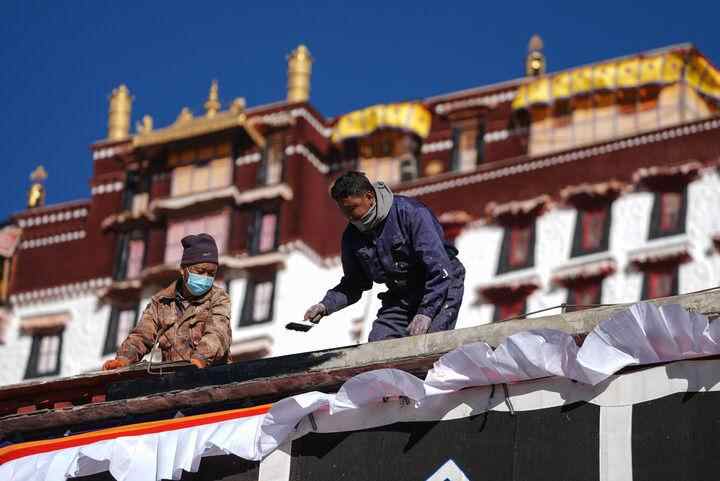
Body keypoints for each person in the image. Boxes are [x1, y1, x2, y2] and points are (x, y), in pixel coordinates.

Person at [304, 171, 465, 341]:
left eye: (352, 208)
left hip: (440, 285)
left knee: (427, 344)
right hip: (401, 296)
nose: (349, 216)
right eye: (344, 211)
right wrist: (325, 305)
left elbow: (439, 269)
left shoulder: (411, 213)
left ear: (369, 197)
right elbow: (354, 283)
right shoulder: (352, 237)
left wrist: (426, 312)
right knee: (379, 345)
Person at [103, 233, 232, 370]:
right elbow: (142, 335)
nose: (206, 278)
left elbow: (217, 334)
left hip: (211, 378)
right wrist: (123, 360)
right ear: (183, 270)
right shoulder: (160, 302)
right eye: (200, 271)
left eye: (211, 274)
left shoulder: (219, 299)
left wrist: (200, 359)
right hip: (172, 380)